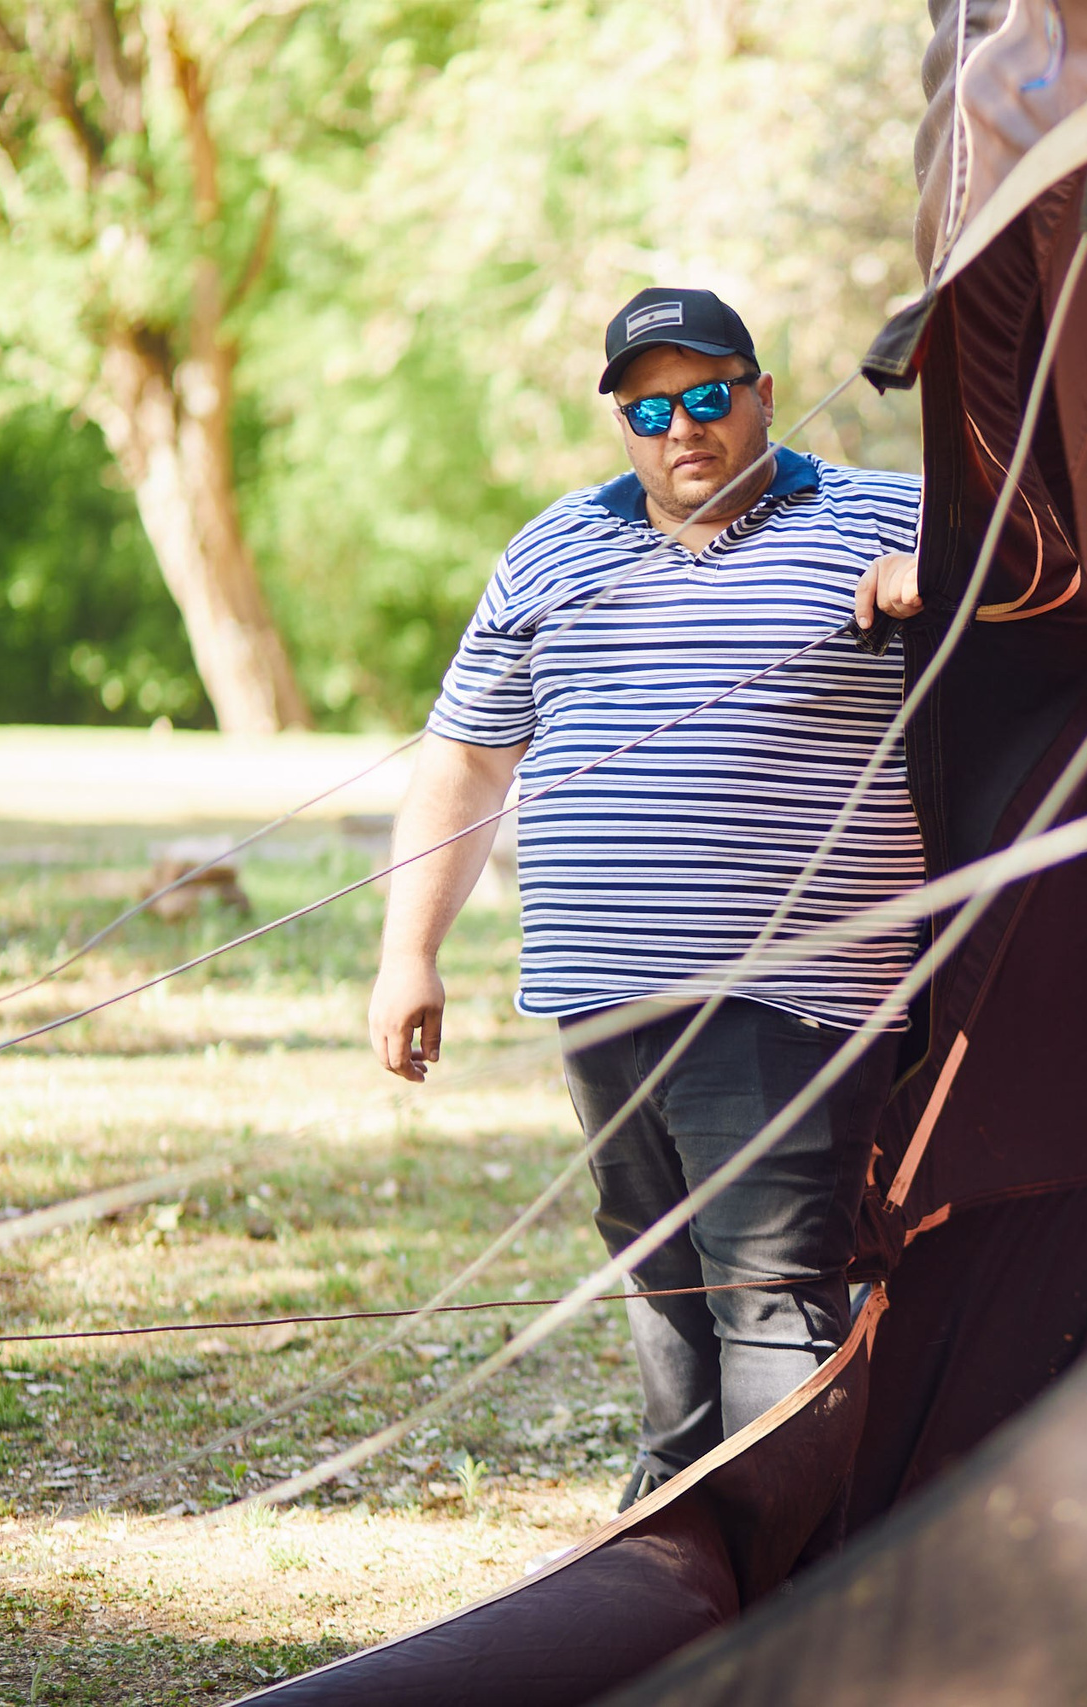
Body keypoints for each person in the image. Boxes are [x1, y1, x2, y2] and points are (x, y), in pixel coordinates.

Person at [368, 286, 929, 1508]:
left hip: (793, 994)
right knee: (662, 1273)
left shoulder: (884, 520)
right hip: (600, 995)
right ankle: (676, 1537)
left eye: (710, 396)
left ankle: (786, 1582)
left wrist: (926, 583)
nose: (684, 428)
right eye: (650, 408)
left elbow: (1043, 581)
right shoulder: (551, 547)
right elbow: (465, 760)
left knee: (771, 1296)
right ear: (621, 421)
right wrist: (408, 953)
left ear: (764, 393)